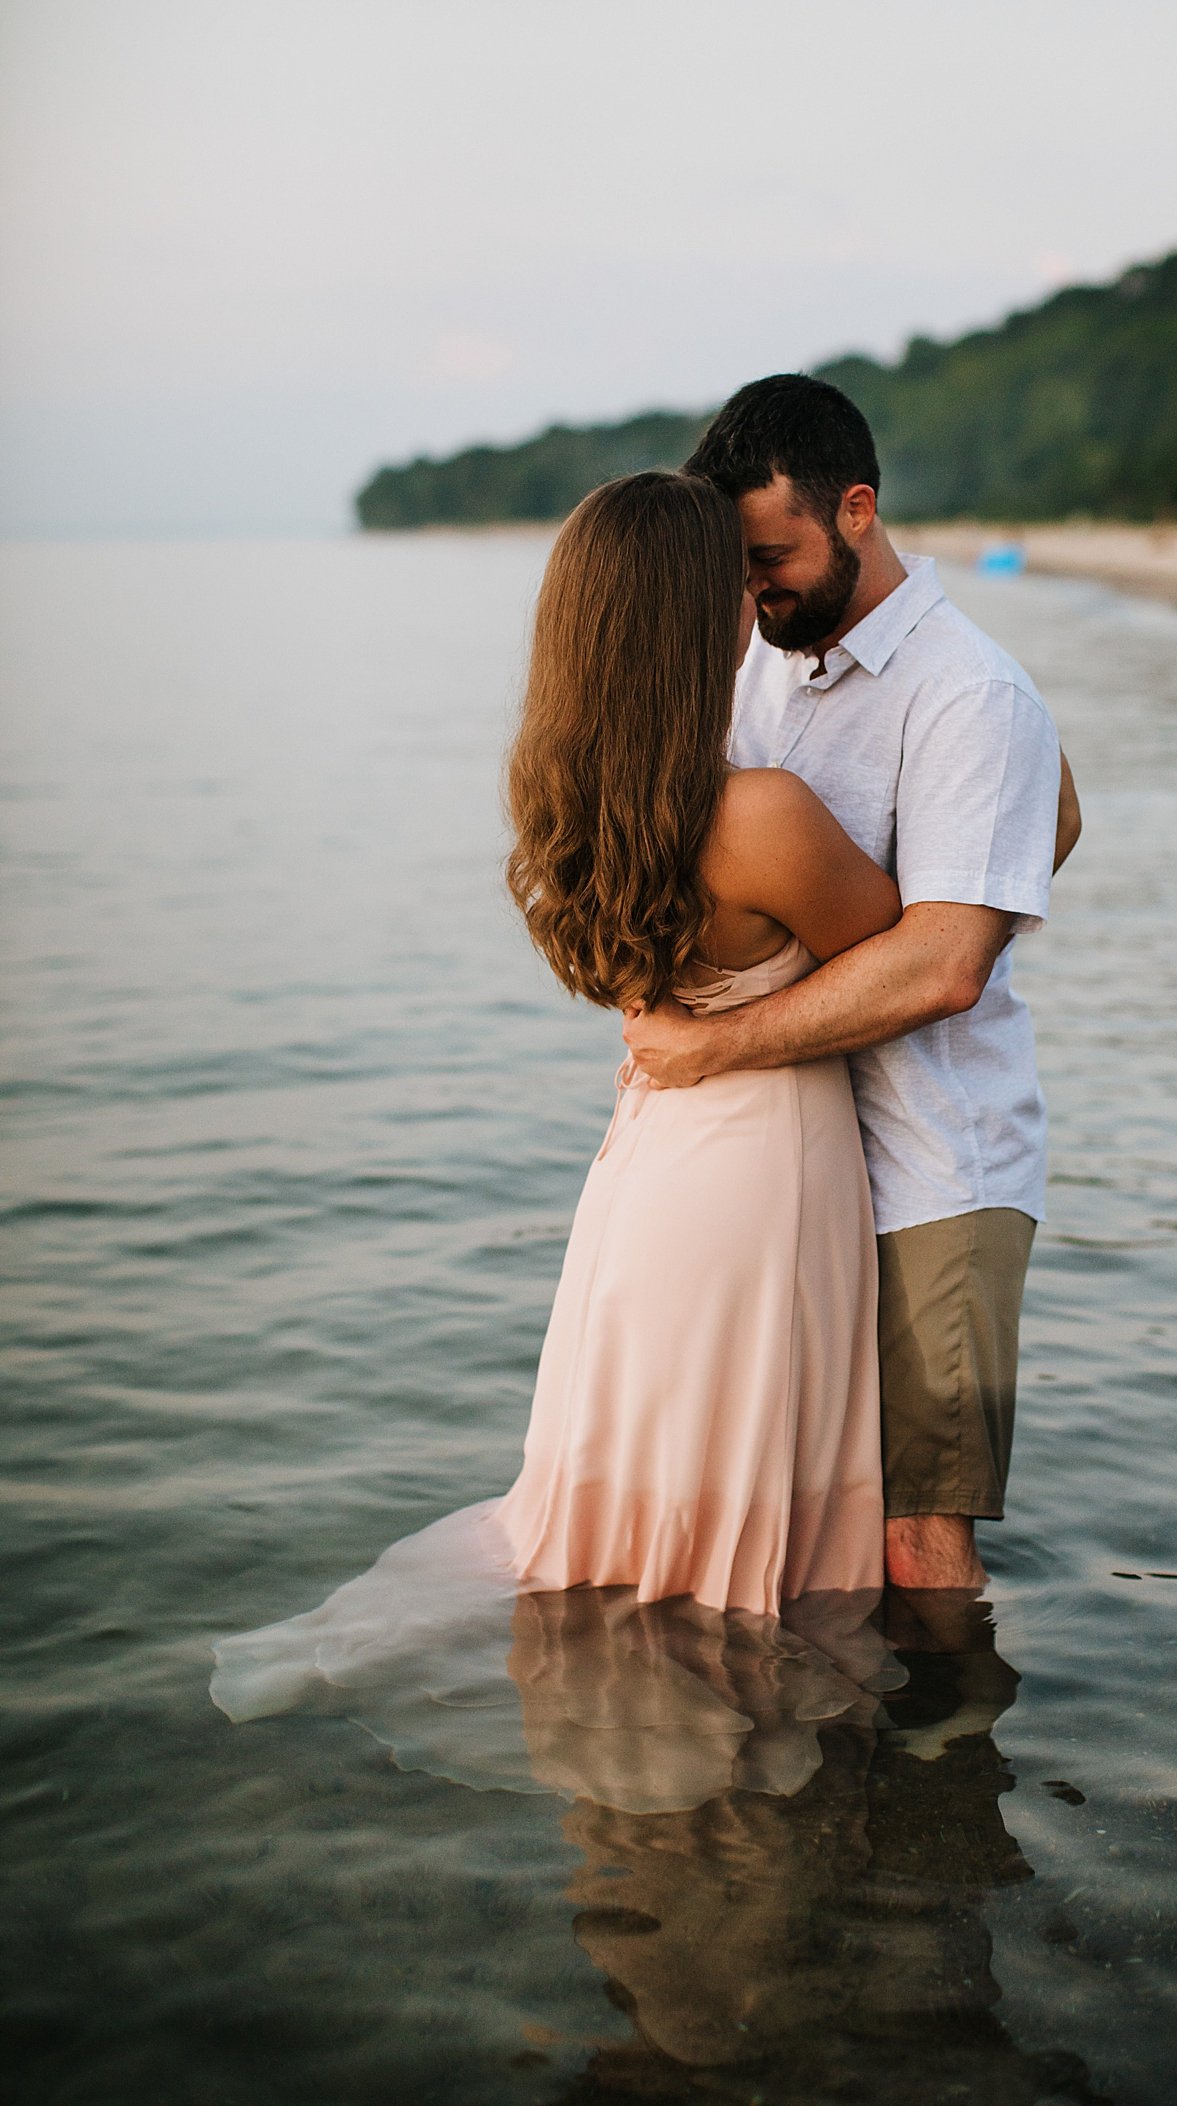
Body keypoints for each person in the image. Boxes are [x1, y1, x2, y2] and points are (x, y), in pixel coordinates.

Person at [211, 469, 907, 1730]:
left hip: (650, 1173)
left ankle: (631, 1705)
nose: (755, 597)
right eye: (732, 582)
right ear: (691, 625)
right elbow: (902, 947)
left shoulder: (578, 803)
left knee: (637, 1483)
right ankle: (729, 1731)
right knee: (734, 1475)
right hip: (757, 1174)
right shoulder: (761, 814)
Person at [624, 376, 1080, 1594]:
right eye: (739, 566)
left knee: (919, 1535)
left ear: (859, 511)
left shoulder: (968, 689)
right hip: (793, 1162)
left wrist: (716, 1047)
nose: (754, 587)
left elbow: (945, 966)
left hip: (936, 1162)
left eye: (772, 556)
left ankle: (946, 1774)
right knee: (796, 1505)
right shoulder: (762, 660)